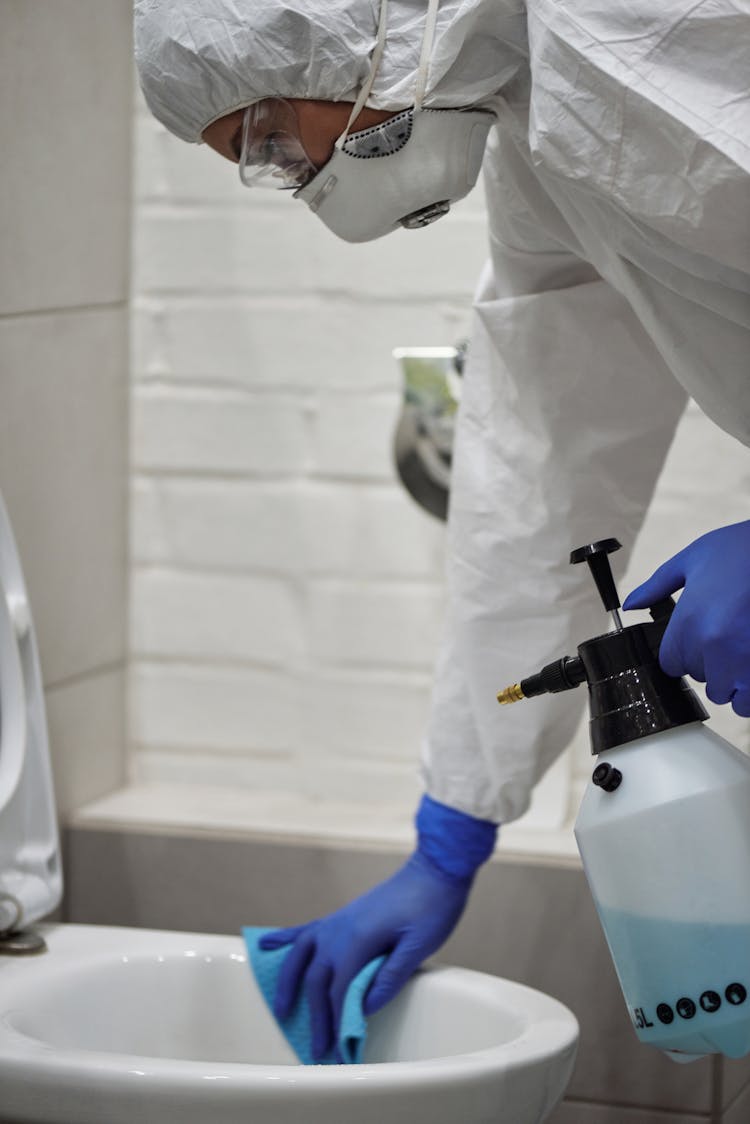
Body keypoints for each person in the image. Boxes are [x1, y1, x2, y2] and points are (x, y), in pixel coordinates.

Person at [135, 0, 750, 1061]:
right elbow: (542, 464)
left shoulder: (661, 26)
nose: (293, 177)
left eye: (271, 138)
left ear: (354, 22)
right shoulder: (548, 148)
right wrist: (455, 823)